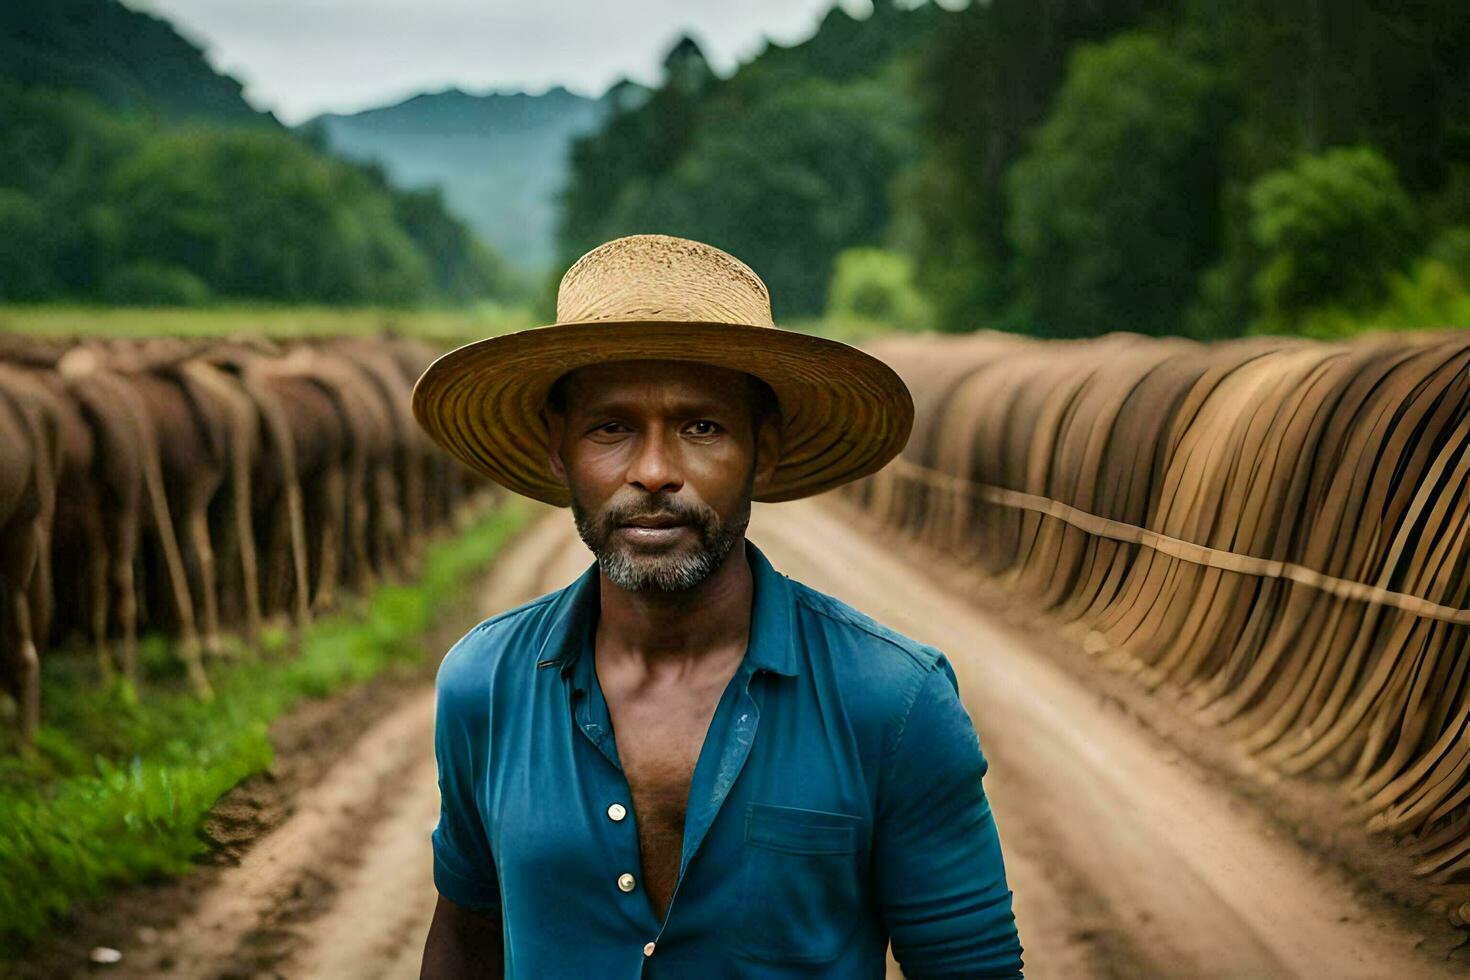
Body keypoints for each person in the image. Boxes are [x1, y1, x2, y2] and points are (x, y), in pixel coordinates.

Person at [412, 234, 1024, 978]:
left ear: (764, 450)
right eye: (611, 427)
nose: (655, 472)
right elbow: (465, 941)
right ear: (557, 449)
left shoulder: (892, 702)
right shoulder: (486, 684)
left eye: (703, 427)